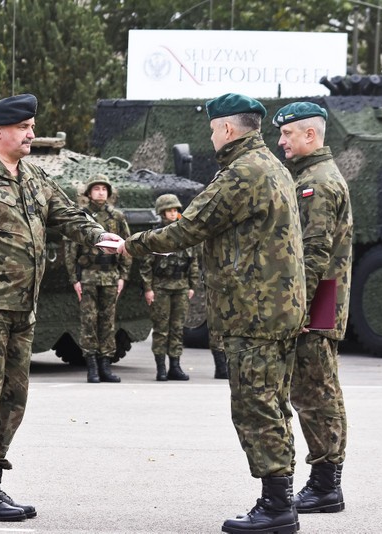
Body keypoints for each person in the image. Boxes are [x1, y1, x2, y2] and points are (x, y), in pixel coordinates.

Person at [0, 94, 122, 522]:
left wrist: (97, 236)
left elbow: (67, 216)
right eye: (24, 127)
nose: (32, 134)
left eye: (32, 126)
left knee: (13, 399)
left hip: (21, 310)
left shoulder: (33, 178)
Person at [119, 93, 306, 534]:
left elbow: (190, 226)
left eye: (211, 129)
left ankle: (277, 507)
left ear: (225, 129)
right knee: (274, 403)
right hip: (277, 309)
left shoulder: (242, 173)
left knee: (255, 405)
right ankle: (279, 498)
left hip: (255, 312)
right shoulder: (274, 166)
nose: (211, 136)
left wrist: (130, 245)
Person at [273, 101, 352, 514]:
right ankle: (326, 482)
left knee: (315, 392)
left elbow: (314, 251)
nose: (281, 140)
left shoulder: (316, 182)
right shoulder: (310, 175)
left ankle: (325, 485)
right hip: (320, 296)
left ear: (311, 135)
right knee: (317, 390)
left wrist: (299, 308)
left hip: (317, 298)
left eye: (288, 134)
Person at [64, 175, 131, 383]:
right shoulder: (81, 216)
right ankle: (91, 366)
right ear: (89, 193)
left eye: (104, 189)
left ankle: (105, 366)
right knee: (89, 321)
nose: (101, 192)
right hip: (88, 276)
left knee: (108, 322)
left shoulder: (117, 217)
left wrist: (123, 276)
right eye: (96, 189)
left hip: (111, 276)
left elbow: (127, 246)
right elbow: (70, 249)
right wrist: (74, 279)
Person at [139, 194, 199, 381]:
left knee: (177, 327)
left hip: (181, 286)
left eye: (175, 210)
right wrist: (148, 289)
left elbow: (193, 261)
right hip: (161, 287)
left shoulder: (184, 234)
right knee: (161, 328)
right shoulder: (155, 236)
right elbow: (146, 265)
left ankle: (175, 366)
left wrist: (192, 285)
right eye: (169, 210)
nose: (173, 214)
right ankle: (161, 368)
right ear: (161, 212)